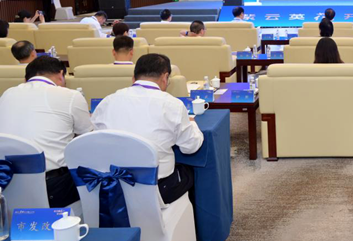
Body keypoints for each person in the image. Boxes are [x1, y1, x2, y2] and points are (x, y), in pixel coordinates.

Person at [92, 54, 203, 204]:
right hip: (157, 188)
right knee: (190, 172)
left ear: (133, 78)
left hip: (112, 185)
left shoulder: (107, 101)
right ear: (165, 77)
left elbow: (94, 138)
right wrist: (193, 124)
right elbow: (190, 147)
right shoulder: (173, 105)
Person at [0, 56, 91, 207]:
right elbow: (86, 138)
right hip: (51, 186)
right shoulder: (70, 95)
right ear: (61, 74)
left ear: (26, 78)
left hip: (7, 183)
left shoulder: (7, 94)